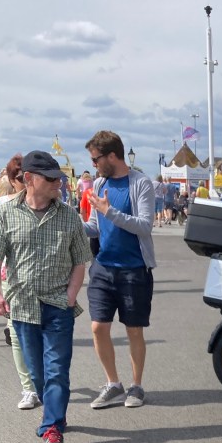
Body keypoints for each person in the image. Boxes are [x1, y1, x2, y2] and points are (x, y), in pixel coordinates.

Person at [0, 150, 90, 443]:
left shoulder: (68, 215)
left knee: (57, 369)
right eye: (51, 178)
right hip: (22, 307)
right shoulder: (4, 212)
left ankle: (52, 427)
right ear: (29, 179)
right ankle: (55, 412)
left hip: (58, 306)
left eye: (59, 178)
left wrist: (70, 296)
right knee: (37, 372)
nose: (59, 183)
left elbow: (81, 261)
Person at [83, 129, 156, 409]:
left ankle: (136, 386)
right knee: (98, 327)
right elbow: (93, 227)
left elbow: (145, 226)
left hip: (133, 269)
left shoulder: (141, 183)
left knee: (133, 330)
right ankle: (113, 383)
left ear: (112, 155)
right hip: (102, 266)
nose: (93, 165)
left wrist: (109, 211)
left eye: (96, 159)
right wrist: (70, 226)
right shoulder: (100, 185)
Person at [0, 155, 41, 410]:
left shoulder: (49, 204)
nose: (26, 182)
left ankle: (42, 381)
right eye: (20, 178)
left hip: (44, 283)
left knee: (42, 337)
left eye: (29, 176)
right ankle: (29, 388)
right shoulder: (1, 206)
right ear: (12, 181)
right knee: (17, 335)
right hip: (12, 283)